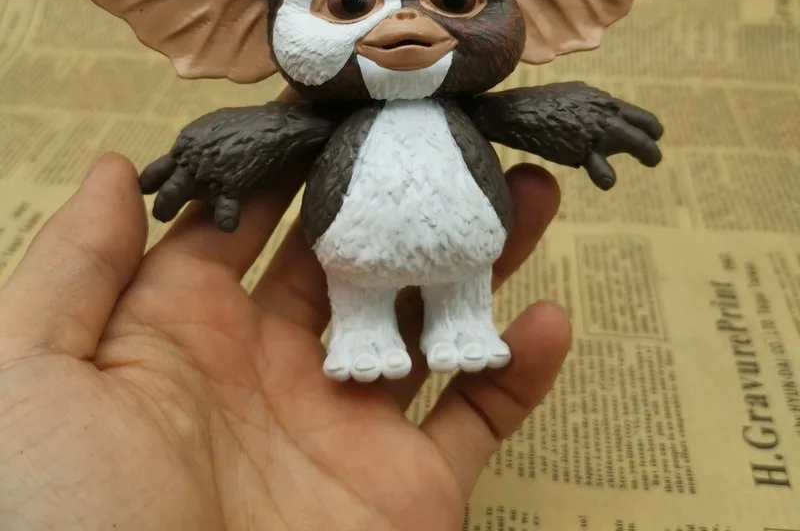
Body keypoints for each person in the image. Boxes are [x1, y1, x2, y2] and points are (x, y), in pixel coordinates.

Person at [0, 129, 571, 530]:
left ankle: (462, 321)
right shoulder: (328, 113)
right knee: (357, 288)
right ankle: (362, 331)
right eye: (352, 5)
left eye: (453, 2)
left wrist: (582, 121)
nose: (403, 25)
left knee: (462, 281)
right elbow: (271, 131)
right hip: (352, 249)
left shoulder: (466, 105)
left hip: (466, 244)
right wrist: (208, 157)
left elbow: (524, 112)